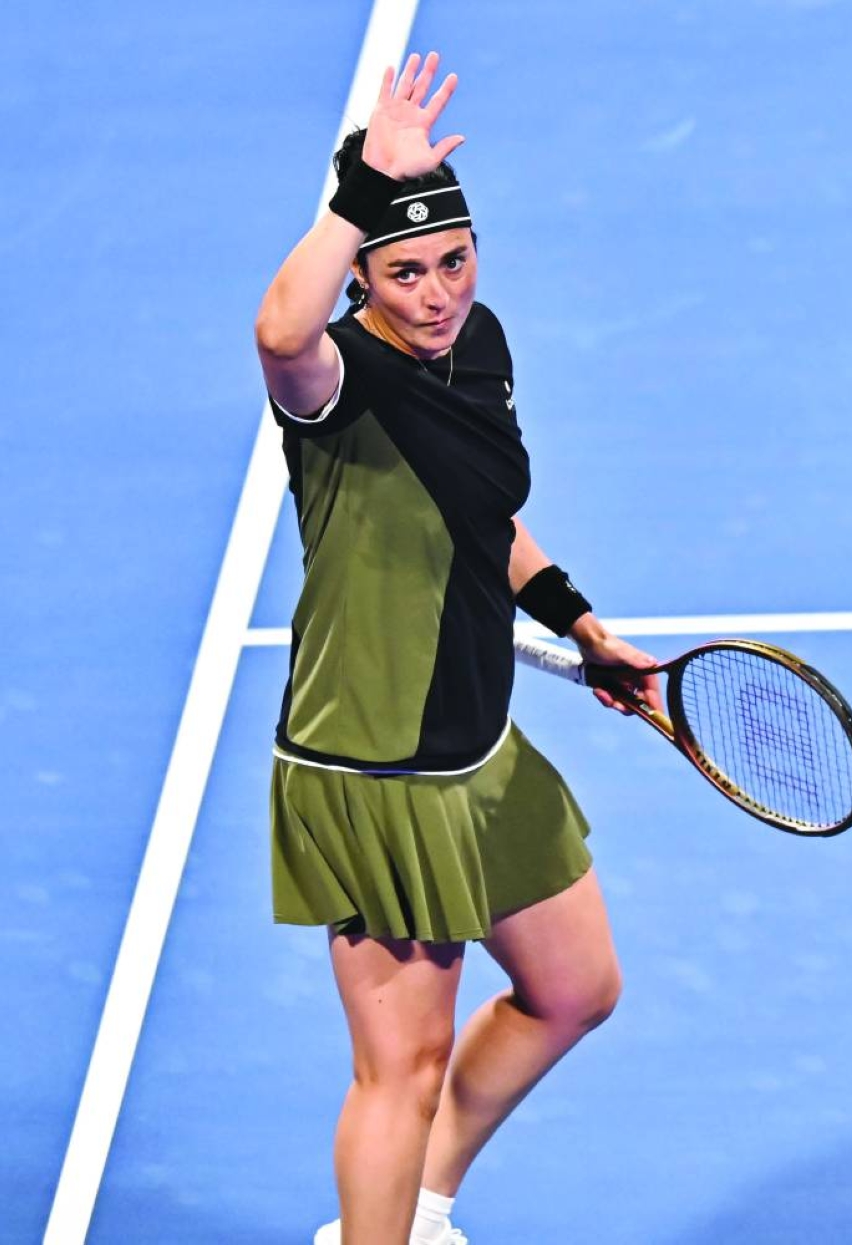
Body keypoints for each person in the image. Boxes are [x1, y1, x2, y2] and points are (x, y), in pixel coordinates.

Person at [255, 51, 663, 1245]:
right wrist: (358, 193)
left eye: (451, 262)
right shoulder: (339, 383)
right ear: (365, 276)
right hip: (379, 773)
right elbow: (283, 326)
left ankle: (418, 1208)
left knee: (574, 990)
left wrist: (581, 626)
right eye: (404, 271)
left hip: (477, 746)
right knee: (403, 1063)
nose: (434, 293)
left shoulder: (474, 342)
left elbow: (483, 521)